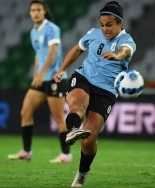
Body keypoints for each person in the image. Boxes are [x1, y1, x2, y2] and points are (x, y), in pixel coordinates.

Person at [53, 1, 136, 187]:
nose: (105, 29)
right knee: (77, 105)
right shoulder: (93, 34)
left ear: (120, 23)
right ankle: (73, 130)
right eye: (102, 25)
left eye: (109, 25)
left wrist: (117, 56)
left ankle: (82, 173)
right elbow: (77, 49)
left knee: (89, 141)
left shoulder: (127, 41)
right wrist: (62, 69)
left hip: (106, 90)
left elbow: (125, 51)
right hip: (84, 77)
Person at [8, 0, 72, 163]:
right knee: (25, 112)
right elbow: (39, 55)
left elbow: (52, 53)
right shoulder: (33, 32)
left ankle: (66, 154)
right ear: (30, 13)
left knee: (58, 117)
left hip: (55, 79)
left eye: (38, 9)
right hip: (41, 79)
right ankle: (26, 151)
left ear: (44, 12)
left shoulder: (51, 28)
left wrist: (41, 73)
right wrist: (36, 75)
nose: (35, 12)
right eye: (33, 10)